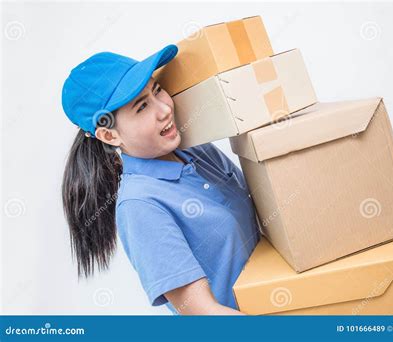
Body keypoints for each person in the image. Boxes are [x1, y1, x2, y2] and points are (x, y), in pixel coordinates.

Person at [60, 44, 260, 315]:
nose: (165, 109)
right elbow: (203, 313)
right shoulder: (140, 205)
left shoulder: (197, 151)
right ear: (110, 136)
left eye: (157, 90)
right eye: (142, 107)